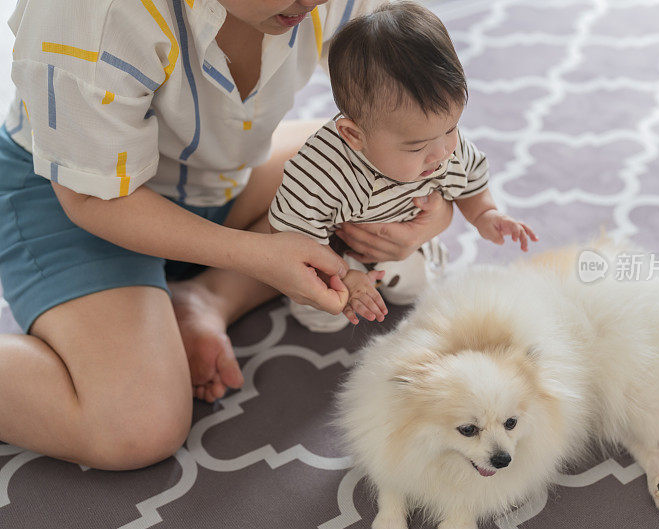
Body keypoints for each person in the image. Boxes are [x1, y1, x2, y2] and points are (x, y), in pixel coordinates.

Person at [0, 0, 454, 470]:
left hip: (216, 178)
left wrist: (432, 209)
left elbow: (418, 108)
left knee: (384, 170)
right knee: (135, 427)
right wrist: (255, 253)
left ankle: (204, 298)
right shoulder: (88, 14)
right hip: (82, 197)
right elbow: (91, 199)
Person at [267, 1, 537, 332]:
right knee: (322, 315)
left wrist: (485, 215)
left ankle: (390, 278)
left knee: (419, 288)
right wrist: (342, 274)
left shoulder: (445, 148)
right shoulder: (321, 171)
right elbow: (290, 237)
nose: (440, 153)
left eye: (451, 129)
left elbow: (471, 183)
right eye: (416, 146)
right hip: (333, 251)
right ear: (354, 136)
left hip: (403, 246)